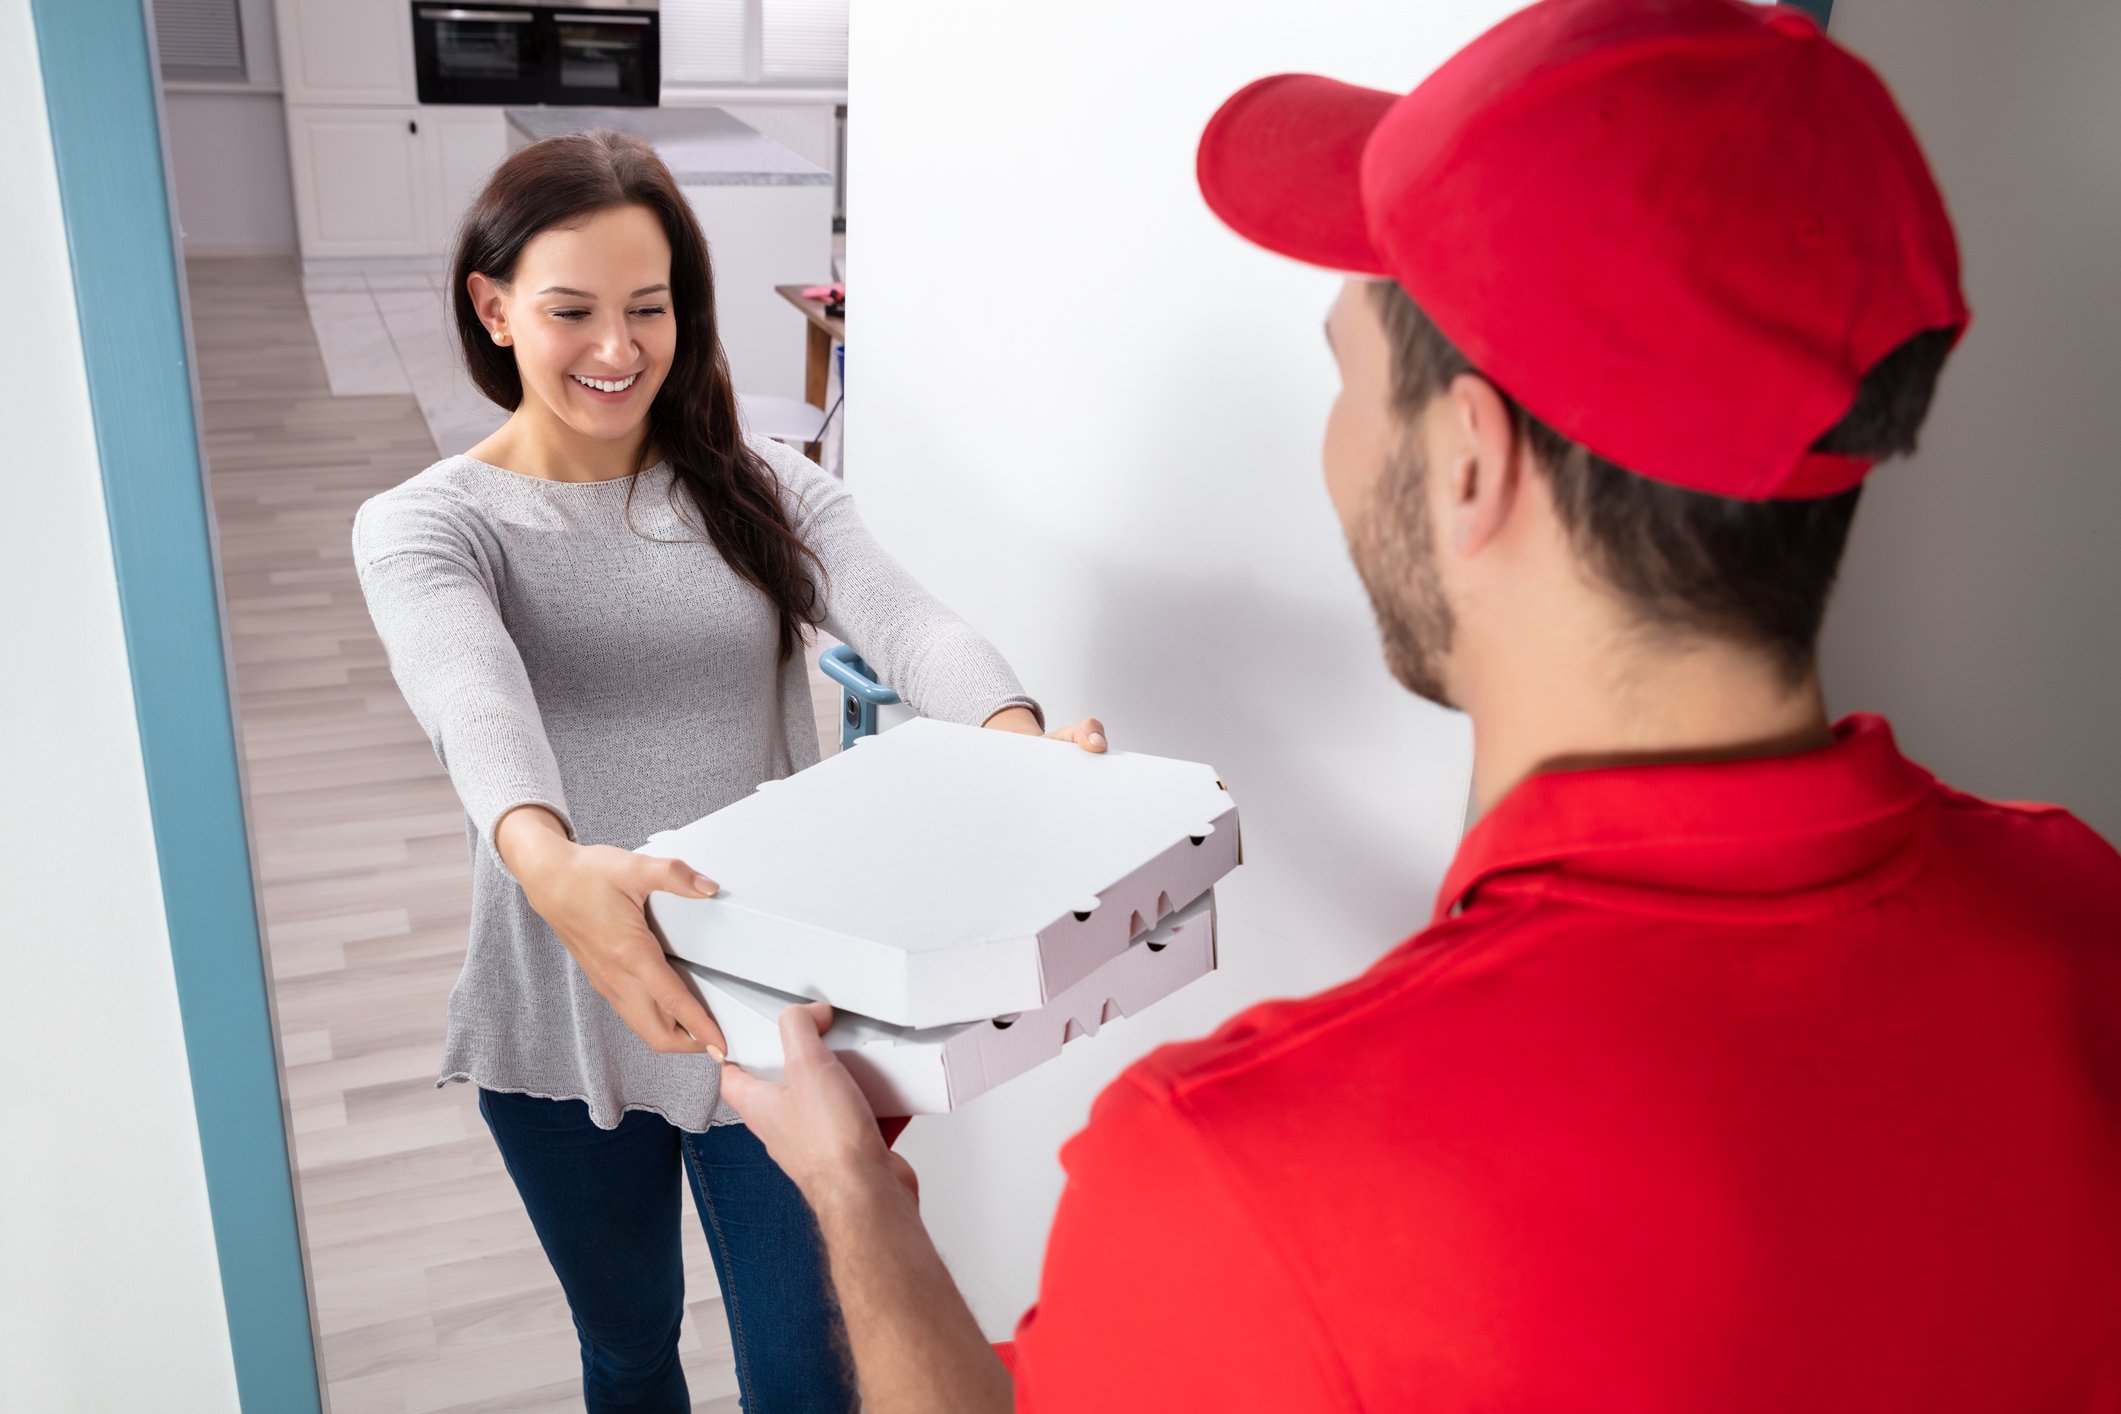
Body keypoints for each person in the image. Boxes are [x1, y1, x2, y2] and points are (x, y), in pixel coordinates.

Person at [714, 1, 2121, 1409]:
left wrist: (855, 1194)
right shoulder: (2079, 914)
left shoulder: (1248, 1177)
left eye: (1347, 377)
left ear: (1467, 460)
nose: (1331, 448)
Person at [350, 129, 1107, 1414]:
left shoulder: (763, 487)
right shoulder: (430, 524)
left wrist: (1017, 736)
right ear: (493, 308)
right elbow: (473, 703)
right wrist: (551, 859)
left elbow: (907, 619)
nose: (617, 349)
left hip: (777, 1006)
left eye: (649, 308)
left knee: (812, 1379)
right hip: (565, 1010)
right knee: (631, 1347)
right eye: (570, 310)